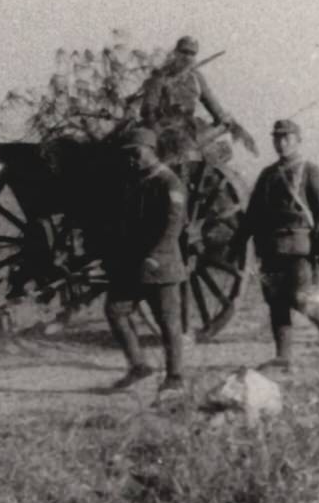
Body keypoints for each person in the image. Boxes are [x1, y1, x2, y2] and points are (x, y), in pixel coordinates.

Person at [232, 120, 319, 371]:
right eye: (277, 138)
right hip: (269, 249)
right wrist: (238, 242)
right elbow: (253, 214)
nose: (282, 143)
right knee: (275, 302)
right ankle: (283, 356)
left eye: (287, 138)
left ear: (298, 140)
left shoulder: (310, 171)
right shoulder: (268, 174)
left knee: (301, 298)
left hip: (300, 249)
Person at [103, 129, 187, 394]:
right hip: (133, 265)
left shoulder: (169, 183)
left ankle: (175, 377)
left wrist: (155, 256)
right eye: (128, 155)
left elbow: (173, 225)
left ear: (151, 150)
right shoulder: (134, 182)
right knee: (115, 310)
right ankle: (138, 366)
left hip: (160, 266)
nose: (132, 159)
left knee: (168, 321)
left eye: (136, 153)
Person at [137, 36, 242, 154]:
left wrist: (224, 119)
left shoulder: (197, 78)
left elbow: (213, 105)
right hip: (163, 127)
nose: (187, 57)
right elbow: (148, 109)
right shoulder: (161, 77)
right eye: (184, 52)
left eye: (192, 54)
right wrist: (159, 132)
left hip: (190, 129)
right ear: (176, 53)